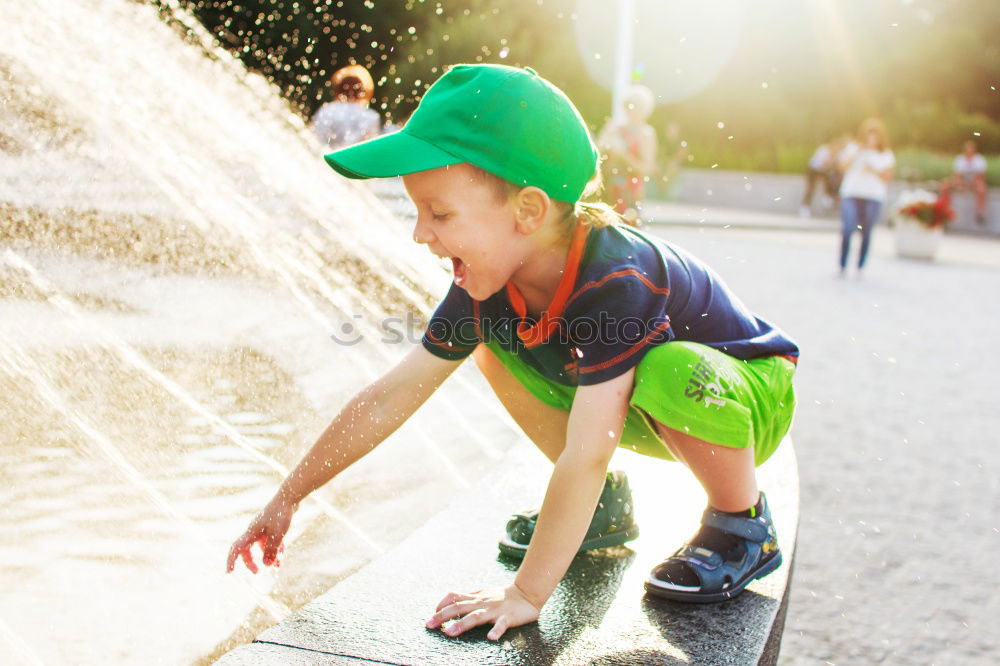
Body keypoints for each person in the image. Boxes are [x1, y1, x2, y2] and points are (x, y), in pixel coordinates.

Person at [227, 64, 799, 641]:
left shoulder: (618, 278)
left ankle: (741, 522)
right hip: (665, 402)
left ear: (527, 211)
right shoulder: (486, 284)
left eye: (440, 213)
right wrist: (288, 497)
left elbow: (589, 450)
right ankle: (602, 511)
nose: (420, 234)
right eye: (419, 212)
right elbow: (390, 397)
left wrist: (525, 592)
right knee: (494, 349)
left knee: (664, 369)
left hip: (747, 393)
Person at [837, 118, 895, 275]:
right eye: (869, 135)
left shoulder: (885, 154)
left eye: (875, 135)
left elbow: (888, 177)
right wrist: (857, 152)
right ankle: (842, 265)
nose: (871, 139)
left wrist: (873, 169)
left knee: (866, 230)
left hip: (873, 197)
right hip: (851, 194)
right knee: (848, 227)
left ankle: (860, 266)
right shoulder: (854, 148)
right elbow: (842, 167)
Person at [597, 84, 658, 225]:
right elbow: (597, 156)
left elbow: (646, 168)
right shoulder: (613, 128)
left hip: (630, 195)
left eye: (636, 106)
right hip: (608, 191)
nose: (631, 110)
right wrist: (605, 147)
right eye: (628, 105)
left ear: (645, 109)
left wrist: (622, 154)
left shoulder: (646, 133)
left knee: (627, 235)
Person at [310, 64, 381, 149]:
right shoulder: (371, 116)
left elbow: (314, 137)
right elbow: (369, 148)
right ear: (362, 91)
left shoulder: (327, 109)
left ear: (339, 88)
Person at [940, 140, 988, 225]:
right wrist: (960, 183)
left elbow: (980, 175)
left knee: (982, 189)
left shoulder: (979, 159)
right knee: (945, 184)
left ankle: (980, 213)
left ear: (974, 150)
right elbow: (956, 174)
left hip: (975, 182)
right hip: (961, 181)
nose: (969, 151)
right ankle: (943, 209)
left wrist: (970, 183)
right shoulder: (959, 159)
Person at [800, 136, 846, 217]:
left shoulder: (839, 153)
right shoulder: (823, 150)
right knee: (811, 188)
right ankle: (805, 207)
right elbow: (822, 165)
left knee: (832, 178)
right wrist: (831, 160)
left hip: (825, 172)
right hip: (814, 170)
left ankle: (829, 196)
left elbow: (839, 167)